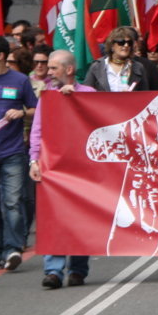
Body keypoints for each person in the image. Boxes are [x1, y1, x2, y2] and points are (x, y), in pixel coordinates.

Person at [29, 50, 94, 288]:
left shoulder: (90, 94)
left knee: (80, 219)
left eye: (54, 68)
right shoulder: (46, 96)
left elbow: (97, 125)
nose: (49, 72)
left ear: (68, 70)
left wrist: (74, 99)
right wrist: (33, 160)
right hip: (53, 167)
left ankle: (77, 269)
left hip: (82, 170)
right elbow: (38, 131)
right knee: (54, 217)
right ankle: (53, 271)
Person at [0, 34, 38, 272]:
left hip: (13, 151)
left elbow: (35, 108)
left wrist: (22, 113)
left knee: (12, 202)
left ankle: (13, 249)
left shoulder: (19, 80)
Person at [83, 27, 153, 91]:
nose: (126, 45)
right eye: (121, 42)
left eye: (129, 43)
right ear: (112, 46)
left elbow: (144, 95)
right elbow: (85, 92)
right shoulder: (97, 66)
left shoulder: (138, 67)